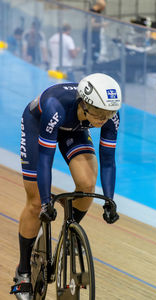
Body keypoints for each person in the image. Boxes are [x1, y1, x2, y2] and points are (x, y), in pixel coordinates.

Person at [10, 73, 121, 299]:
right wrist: (45, 202)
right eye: (99, 114)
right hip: (39, 124)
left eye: (109, 114)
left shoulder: (110, 116)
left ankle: (69, 233)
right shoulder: (55, 106)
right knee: (34, 203)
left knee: (87, 183)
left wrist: (109, 200)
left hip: (75, 129)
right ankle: (23, 272)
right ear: (85, 103)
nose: (104, 119)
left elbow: (108, 160)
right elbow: (45, 160)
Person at [83, 0, 107, 65]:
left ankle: (94, 65)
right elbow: (91, 24)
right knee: (90, 52)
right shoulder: (92, 12)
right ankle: (86, 68)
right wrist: (102, 25)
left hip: (95, 35)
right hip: (91, 36)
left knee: (95, 52)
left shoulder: (97, 13)